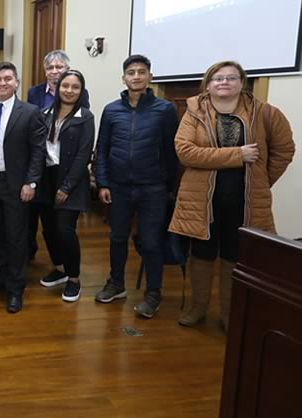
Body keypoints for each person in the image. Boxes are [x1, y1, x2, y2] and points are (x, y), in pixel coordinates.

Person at [170, 61, 295, 331]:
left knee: (234, 254)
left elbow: (284, 150)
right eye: (218, 78)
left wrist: (261, 181)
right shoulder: (194, 113)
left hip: (244, 201)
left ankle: (229, 313)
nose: (224, 82)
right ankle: (197, 308)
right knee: (201, 253)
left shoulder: (265, 113)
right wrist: (238, 155)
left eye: (231, 78)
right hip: (202, 200)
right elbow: (185, 152)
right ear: (208, 83)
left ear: (242, 82)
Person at [93, 55, 179, 318]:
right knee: (117, 237)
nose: (137, 76)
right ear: (124, 78)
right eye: (131, 72)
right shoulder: (111, 110)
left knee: (151, 242)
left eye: (142, 72)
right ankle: (116, 283)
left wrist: (168, 187)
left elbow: (171, 152)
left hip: (152, 188)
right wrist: (103, 182)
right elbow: (103, 150)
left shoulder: (164, 110)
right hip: (118, 187)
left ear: (150, 76)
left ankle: (154, 293)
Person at [0, 62, 46, 313]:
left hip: (16, 185)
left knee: (16, 238)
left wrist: (31, 182)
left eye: (8, 79)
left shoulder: (29, 111)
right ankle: (3, 277)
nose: (3, 83)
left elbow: (38, 151)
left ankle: (16, 289)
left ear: (16, 82)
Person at [34, 70, 94, 303]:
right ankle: (59, 267)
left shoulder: (85, 117)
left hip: (71, 178)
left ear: (81, 91)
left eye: (75, 87)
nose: (69, 90)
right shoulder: (45, 113)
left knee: (65, 230)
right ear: (58, 89)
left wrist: (67, 186)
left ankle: (74, 278)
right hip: (46, 178)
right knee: (48, 228)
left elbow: (83, 155)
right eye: (65, 86)